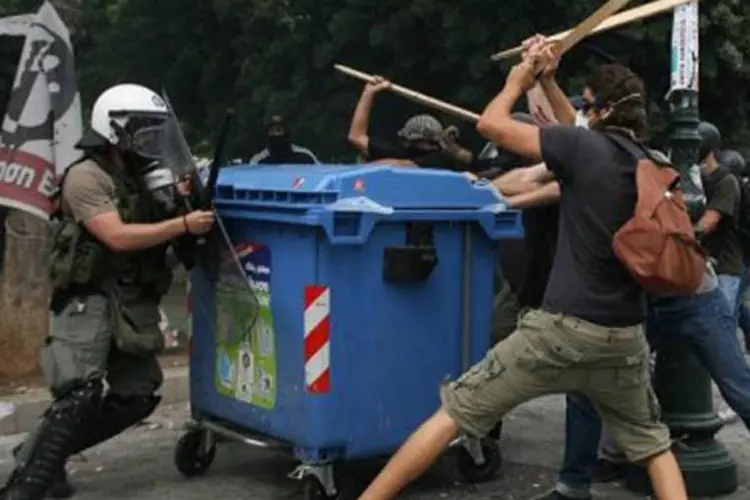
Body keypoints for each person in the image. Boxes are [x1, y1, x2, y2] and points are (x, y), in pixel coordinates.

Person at [356, 44, 688, 500]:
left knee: (454, 412)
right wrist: (549, 79)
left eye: (587, 104)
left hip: (561, 330)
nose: (580, 112)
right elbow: (573, 127)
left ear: (606, 110)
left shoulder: (583, 148)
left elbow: (492, 124)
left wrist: (520, 77)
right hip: (623, 336)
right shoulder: (647, 162)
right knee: (654, 448)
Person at [0, 84, 215, 500]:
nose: (151, 139)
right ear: (114, 129)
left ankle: (40, 453)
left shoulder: (140, 177)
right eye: (142, 129)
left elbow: (169, 224)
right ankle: (25, 488)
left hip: (130, 302)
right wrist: (182, 226)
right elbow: (115, 236)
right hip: (88, 298)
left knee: (138, 395)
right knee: (79, 394)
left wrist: (182, 204)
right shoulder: (85, 176)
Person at [347, 77, 472, 169]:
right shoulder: (399, 152)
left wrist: (363, 169)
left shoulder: (440, 160)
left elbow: (399, 165)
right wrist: (368, 93)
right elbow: (356, 136)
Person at [696, 122, 743, 314]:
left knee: (721, 324)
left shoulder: (726, 181)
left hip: (724, 265)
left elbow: (708, 223)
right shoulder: (694, 177)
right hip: (702, 264)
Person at [248, 115, 319, 165]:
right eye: (271, 130)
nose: (274, 134)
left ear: (286, 132)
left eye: (278, 130)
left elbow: (320, 176)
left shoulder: (305, 156)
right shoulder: (259, 160)